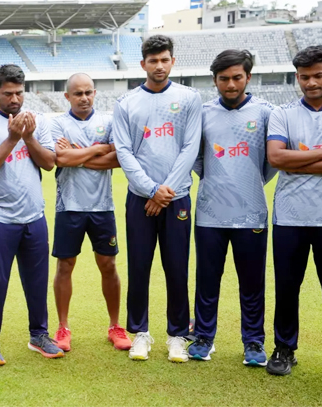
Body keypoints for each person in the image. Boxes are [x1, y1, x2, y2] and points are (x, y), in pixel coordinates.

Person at [113, 35, 202, 362]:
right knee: (139, 267)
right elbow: (124, 151)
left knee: (177, 268)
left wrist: (164, 192)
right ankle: (140, 334)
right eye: (153, 60)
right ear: (143, 64)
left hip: (176, 198)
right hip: (141, 199)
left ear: (172, 61)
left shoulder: (189, 98)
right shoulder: (126, 103)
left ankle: (177, 335)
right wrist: (151, 190)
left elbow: (190, 147)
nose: (159, 66)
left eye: (165, 59)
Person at [0, 64, 63, 366]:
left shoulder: (38, 121)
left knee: (37, 281)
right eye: (8, 93)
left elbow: (49, 163)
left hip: (34, 216)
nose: (14, 99)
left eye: (19, 93)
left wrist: (29, 136)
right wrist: (11, 138)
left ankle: (39, 335)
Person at [187, 50, 275, 366]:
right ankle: (203, 339)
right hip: (210, 212)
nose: (230, 84)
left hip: (251, 210)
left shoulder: (265, 112)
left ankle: (253, 343)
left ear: (248, 77)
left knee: (252, 282)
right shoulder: (204, 113)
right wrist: (219, 181)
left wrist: (248, 182)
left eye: (237, 77)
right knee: (207, 280)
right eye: (223, 79)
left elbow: (271, 162)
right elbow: (195, 158)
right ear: (215, 80)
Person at [50, 73, 130, 353]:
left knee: (108, 266)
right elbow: (60, 158)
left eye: (88, 93)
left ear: (95, 93)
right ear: (67, 97)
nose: (83, 98)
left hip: (102, 208)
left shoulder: (108, 122)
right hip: (68, 207)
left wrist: (79, 155)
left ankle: (115, 326)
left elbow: (119, 157)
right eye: (77, 94)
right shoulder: (58, 123)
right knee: (65, 266)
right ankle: (62, 327)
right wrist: (98, 149)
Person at [266, 45, 322, 376]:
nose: (311, 83)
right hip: (290, 216)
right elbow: (276, 158)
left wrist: (297, 161)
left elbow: (289, 159)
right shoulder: (283, 113)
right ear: (297, 77)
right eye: (305, 77)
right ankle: (284, 348)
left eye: (318, 76)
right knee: (288, 287)